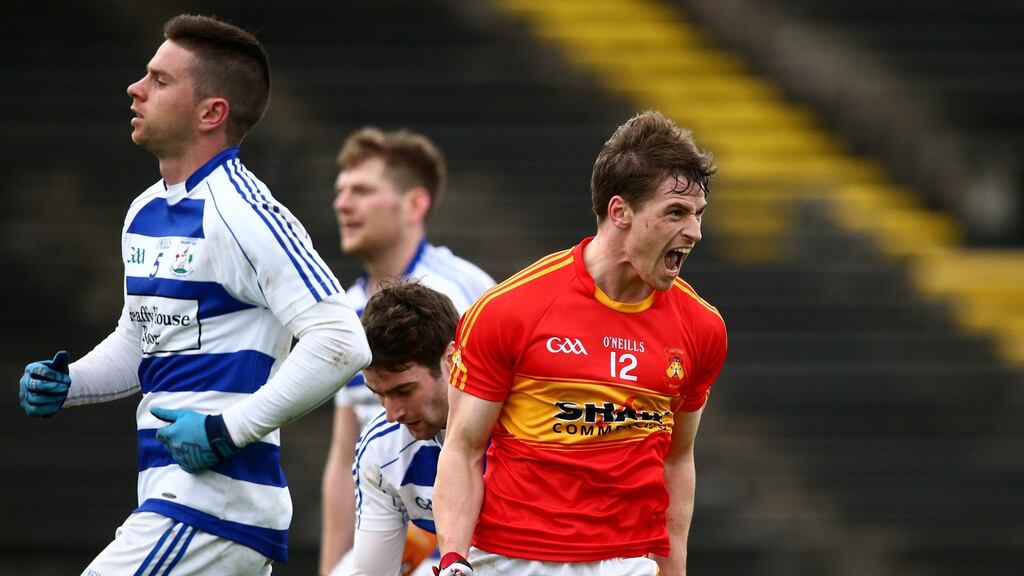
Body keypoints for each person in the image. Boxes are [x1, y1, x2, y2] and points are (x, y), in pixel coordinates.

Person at [17, 14, 371, 575]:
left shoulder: (245, 214)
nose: (136, 88)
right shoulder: (144, 211)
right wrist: (72, 383)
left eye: (160, 80)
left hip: (209, 511)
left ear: (212, 113)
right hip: (177, 503)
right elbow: (141, 340)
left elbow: (341, 341)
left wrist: (228, 429)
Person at [433, 110, 728, 576]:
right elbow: (463, 447)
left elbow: (678, 458)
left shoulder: (702, 327)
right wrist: (453, 559)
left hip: (627, 561)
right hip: (513, 559)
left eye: (697, 214)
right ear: (620, 212)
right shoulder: (509, 310)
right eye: (676, 212)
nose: (694, 232)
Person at [321, 127, 495, 575]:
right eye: (341, 191)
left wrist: (426, 544)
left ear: (414, 204)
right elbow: (346, 458)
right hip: (391, 506)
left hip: (478, 532)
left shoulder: (468, 292)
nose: (342, 204)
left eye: (362, 190)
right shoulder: (341, 312)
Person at [326, 281, 459, 576]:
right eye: (379, 393)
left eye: (404, 391)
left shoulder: (522, 429)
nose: (391, 414)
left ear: (452, 361)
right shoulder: (381, 448)